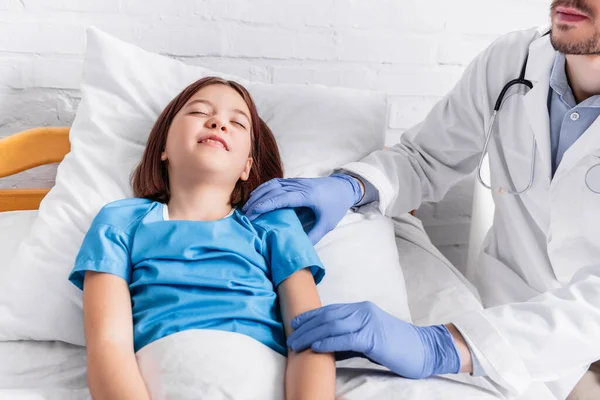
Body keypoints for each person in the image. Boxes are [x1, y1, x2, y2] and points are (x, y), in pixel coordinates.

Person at [243, 1, 600, 398]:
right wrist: (353, 186)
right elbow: (427, 157)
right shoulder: (513, 61)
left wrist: (443, 346)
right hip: (495, 308)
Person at [68, 77, 336, 400]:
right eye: (198, 112)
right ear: (164, 147)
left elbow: (308, 336)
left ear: (247, 167)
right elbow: (107, 344)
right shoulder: (120, 222)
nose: (218, 123)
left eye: (237, 122)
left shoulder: (273, 225)